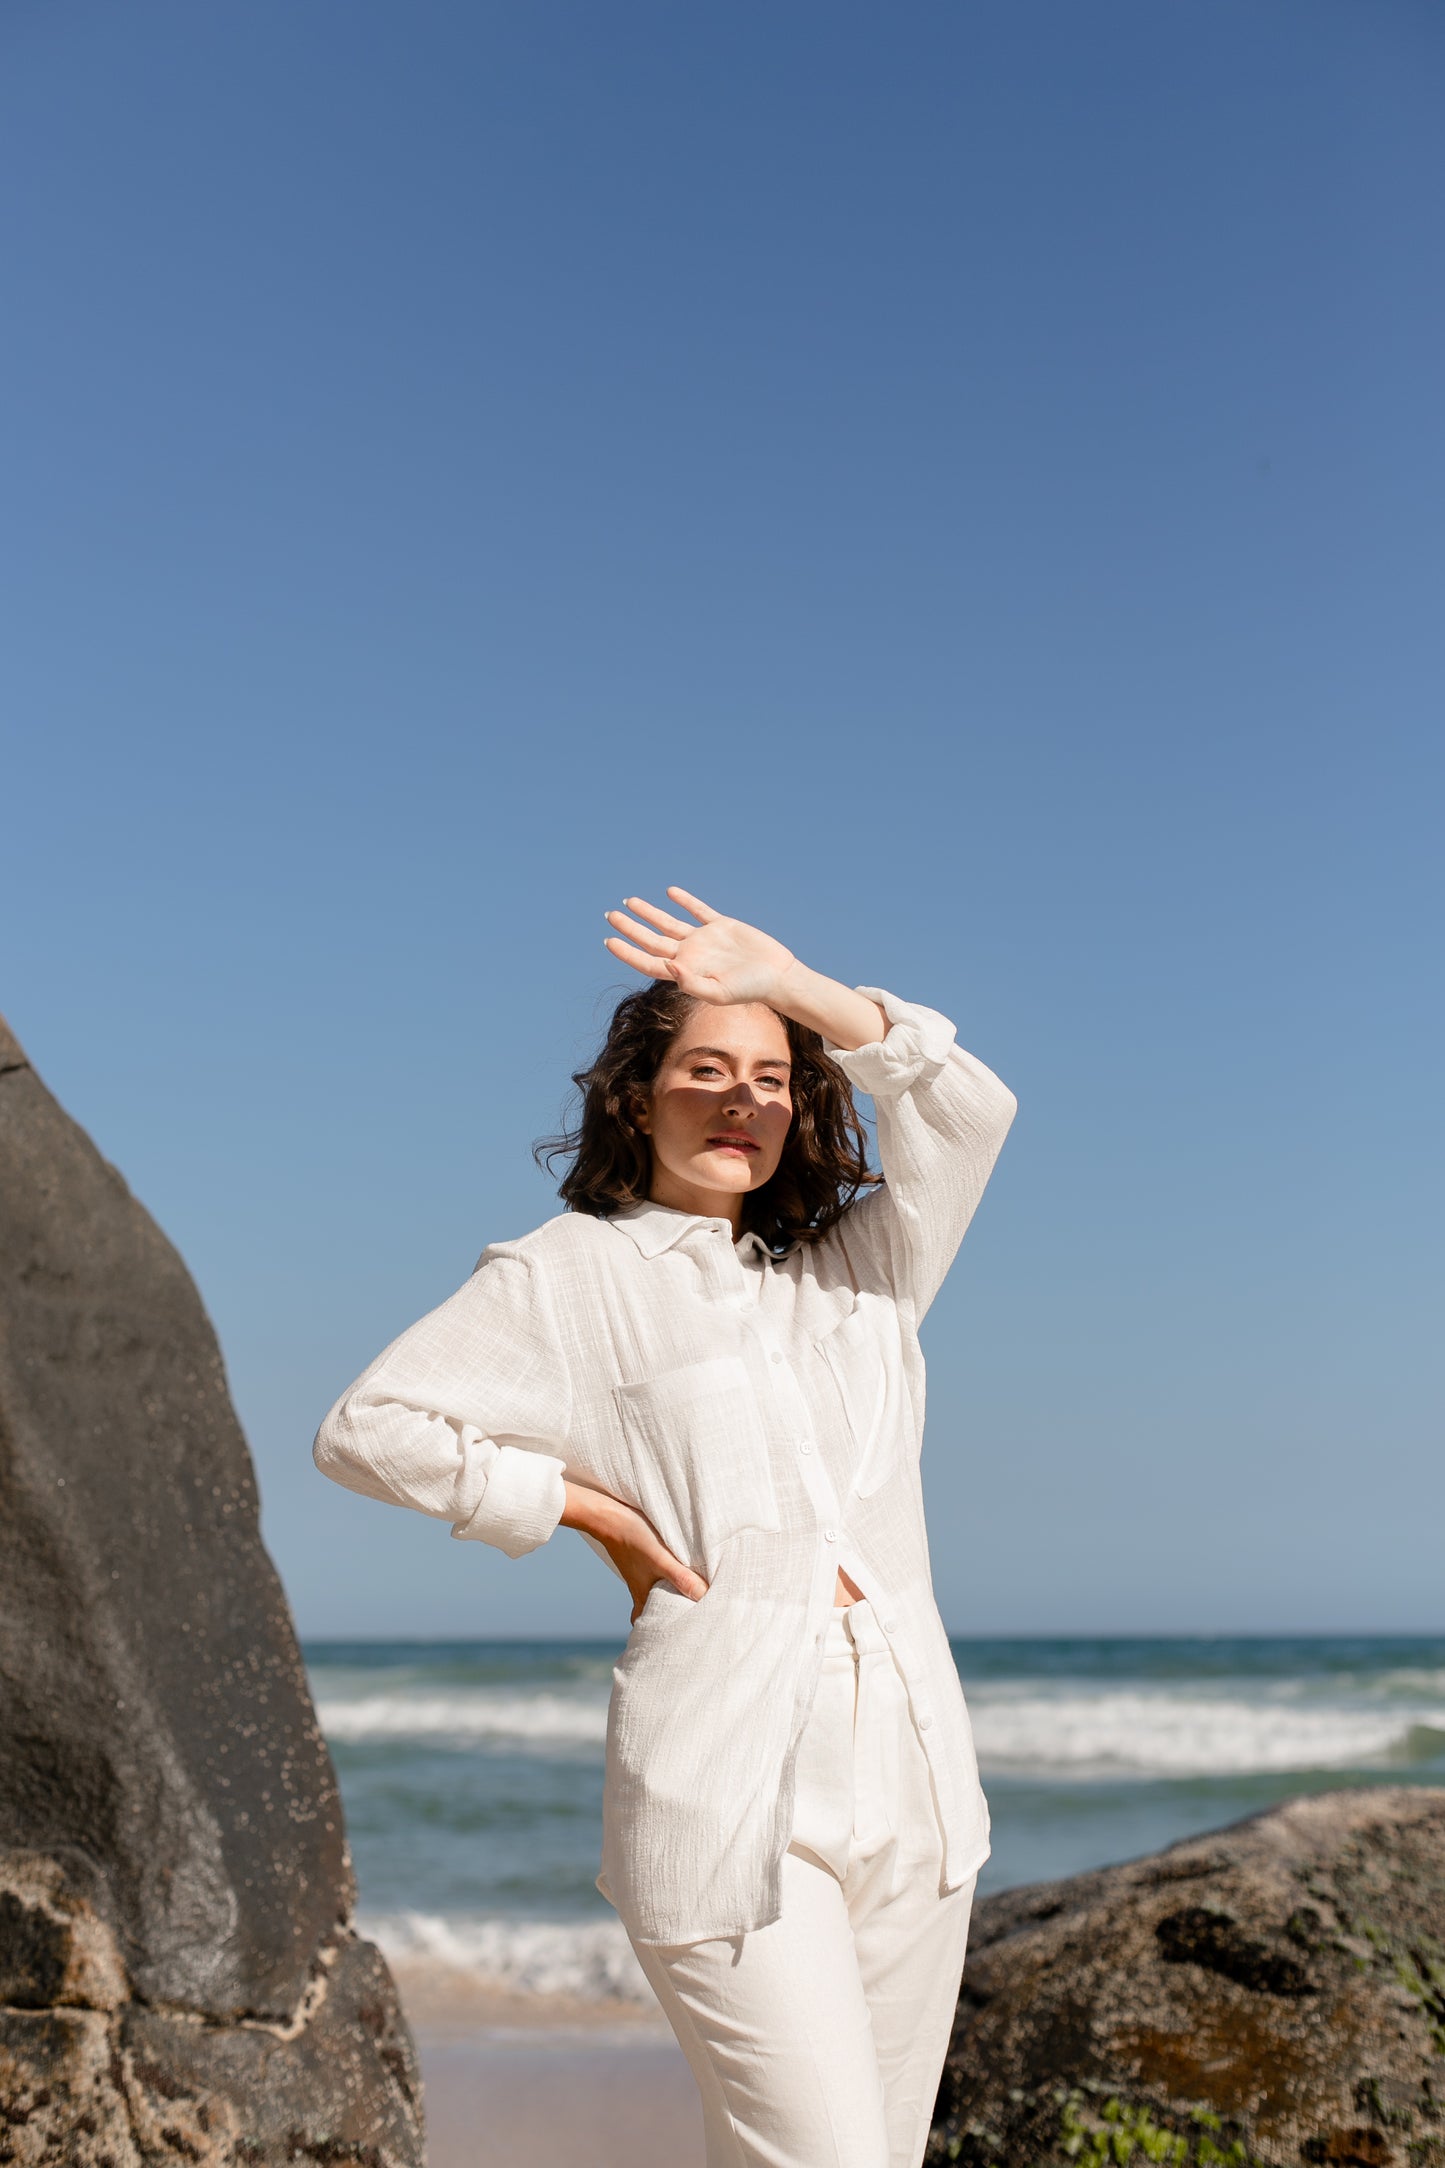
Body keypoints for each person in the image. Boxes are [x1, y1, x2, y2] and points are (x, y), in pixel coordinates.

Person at [313, 885, 1018, 2168]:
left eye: (770, 1077)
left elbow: (970, 1107)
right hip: (721, 1782)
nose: (743, 1098)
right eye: (707, 1069)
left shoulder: (862, 1269)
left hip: (917, 1778)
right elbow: (369, 1426)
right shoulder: (567, 1275)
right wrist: (581, 1511)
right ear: (637, 1098)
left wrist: (793, 980)